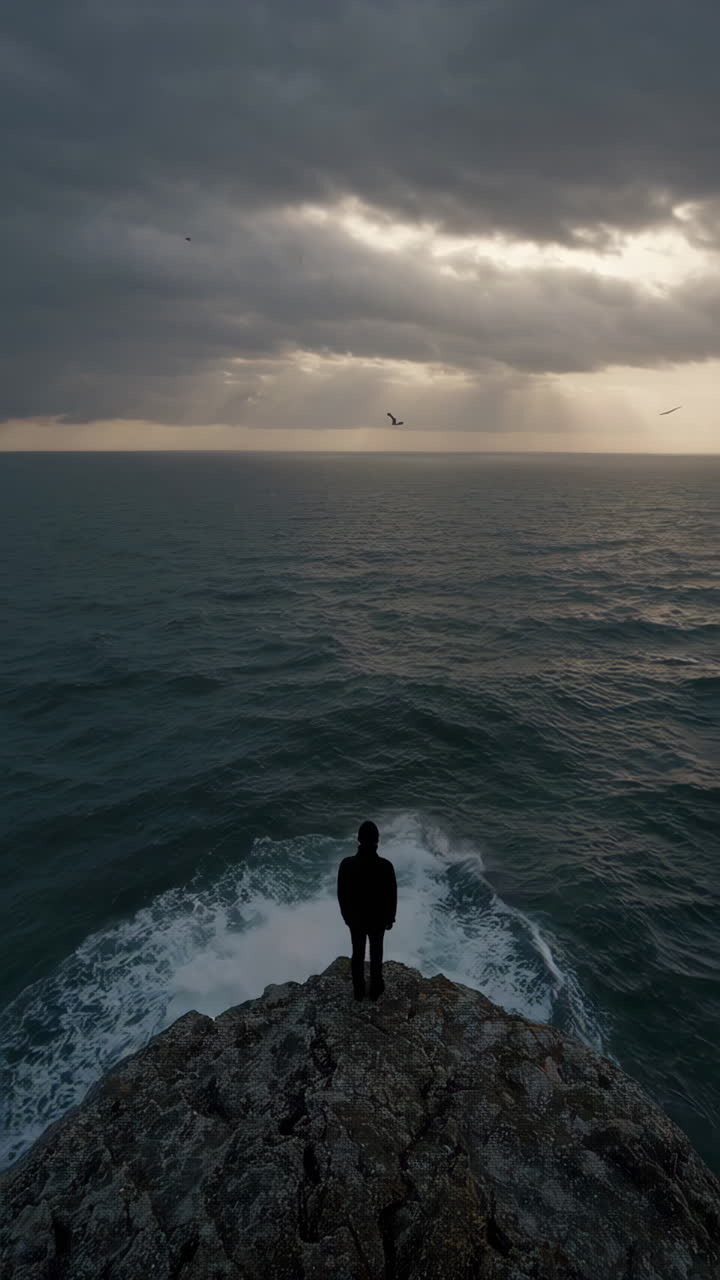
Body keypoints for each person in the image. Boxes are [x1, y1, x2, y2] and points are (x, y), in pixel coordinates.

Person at [337, 820, 397, 1001]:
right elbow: (391, 896)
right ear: (377, 840)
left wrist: (347, 917)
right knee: (376, 953)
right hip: (378, 919)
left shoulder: (346, 864)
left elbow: (342, 894)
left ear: (359, 839)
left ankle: (358, 990)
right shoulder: (386, 866)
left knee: (357, 953)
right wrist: (390, 919)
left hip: (356, 918)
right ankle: (376, 988)